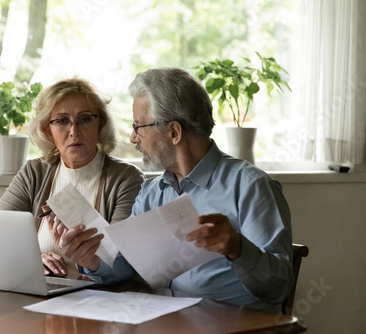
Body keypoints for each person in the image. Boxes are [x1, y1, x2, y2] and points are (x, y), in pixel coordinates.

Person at [55, 68, 294, 313]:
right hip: (161, 322)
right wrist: (91, 260)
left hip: (233, 327)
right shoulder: (150, 193)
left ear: (174, 132)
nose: (134, 139)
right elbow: (126, 265)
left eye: (139, 127)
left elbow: (279, 288)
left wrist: (237, 248)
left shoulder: (250, 187)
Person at [0, 77, 144, 277]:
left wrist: (84, 261)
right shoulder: (33, 172)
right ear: (47, 129)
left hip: (98, 297)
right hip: (37, 290)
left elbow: (122, 263)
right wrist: (30, 259)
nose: (74, 131)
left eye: (84, 119)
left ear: (100, 123)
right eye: (62, 121)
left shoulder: (126, 178)